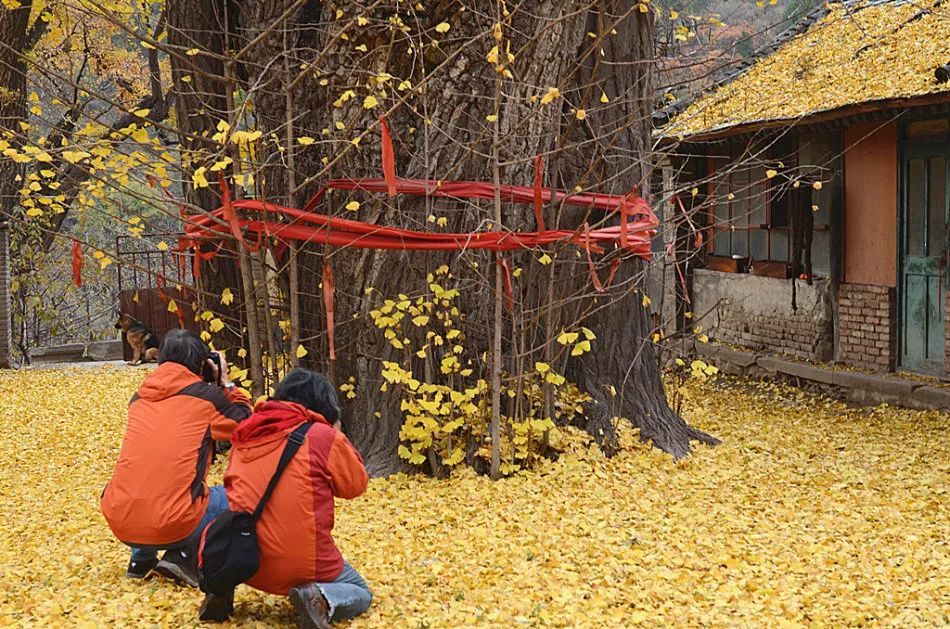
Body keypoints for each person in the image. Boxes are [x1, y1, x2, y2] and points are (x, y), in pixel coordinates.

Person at [204, 368, 370, 627]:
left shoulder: (246, 431)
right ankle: (319, 596)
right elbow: (355, 486)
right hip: (305, 566)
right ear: (323, 404)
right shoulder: (322, 436)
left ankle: (222, 585)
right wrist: (338, 435)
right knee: (360, 592)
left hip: (243, 560)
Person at [100, 329, 252, 586]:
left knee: (151, 471)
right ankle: (182, 555)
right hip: (173, 522)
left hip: (119, 517)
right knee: (246, 493)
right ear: (202, 363)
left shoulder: (139, 398)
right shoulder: (205, 398)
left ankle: (141, 559)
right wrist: (225, 383)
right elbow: (247, 424)